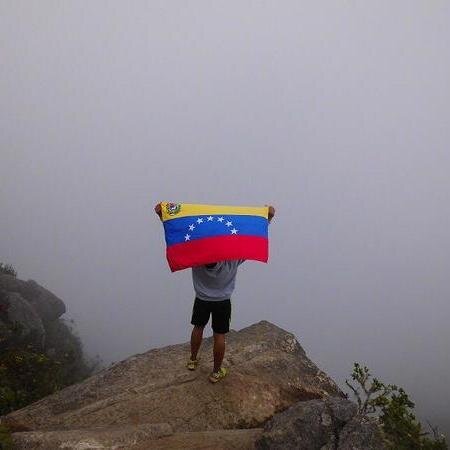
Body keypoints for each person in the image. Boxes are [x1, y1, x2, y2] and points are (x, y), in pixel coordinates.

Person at [154, 203, 275, 383]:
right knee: (220, 335)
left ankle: (193, 360)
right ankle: (216, 372)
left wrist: (162, 214)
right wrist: (269, 218)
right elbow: (249, 240)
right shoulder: (232, 260)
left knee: (198, 327)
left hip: (201, 299)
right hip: (223, 301)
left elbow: (177, 230)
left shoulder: (196, 257)